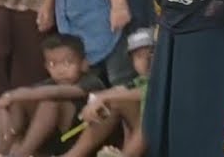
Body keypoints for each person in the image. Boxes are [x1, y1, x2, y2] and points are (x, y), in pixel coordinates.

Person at [0, 34, 105, 157]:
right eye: (52, 64)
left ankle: (22, 154)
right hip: (50, 139)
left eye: (67, 63)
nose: (60, 70)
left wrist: (10, 96)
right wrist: (3, 107)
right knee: (17, 103)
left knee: (48, 103)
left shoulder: (91, 82)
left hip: (75, 140)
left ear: (84, 64)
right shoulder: (49, 83)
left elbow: (58, 92)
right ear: (46, 67)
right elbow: (24, 96)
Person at [61, 28, 156, 157]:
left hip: (164, 132)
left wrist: (104, 97)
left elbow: (150, 93)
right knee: (111, 104)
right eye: (138, 56)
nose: (146, 60)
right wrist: (96, 102)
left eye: (152, 53)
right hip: (143, 139)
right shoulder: (137, 81)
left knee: (149, 116)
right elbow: (119, 91)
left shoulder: (168, 79)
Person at [53, 0, 133, 87]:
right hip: (78, 41)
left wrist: (119, 6)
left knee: (121, 82)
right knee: (88, 87)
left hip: (109, 30)